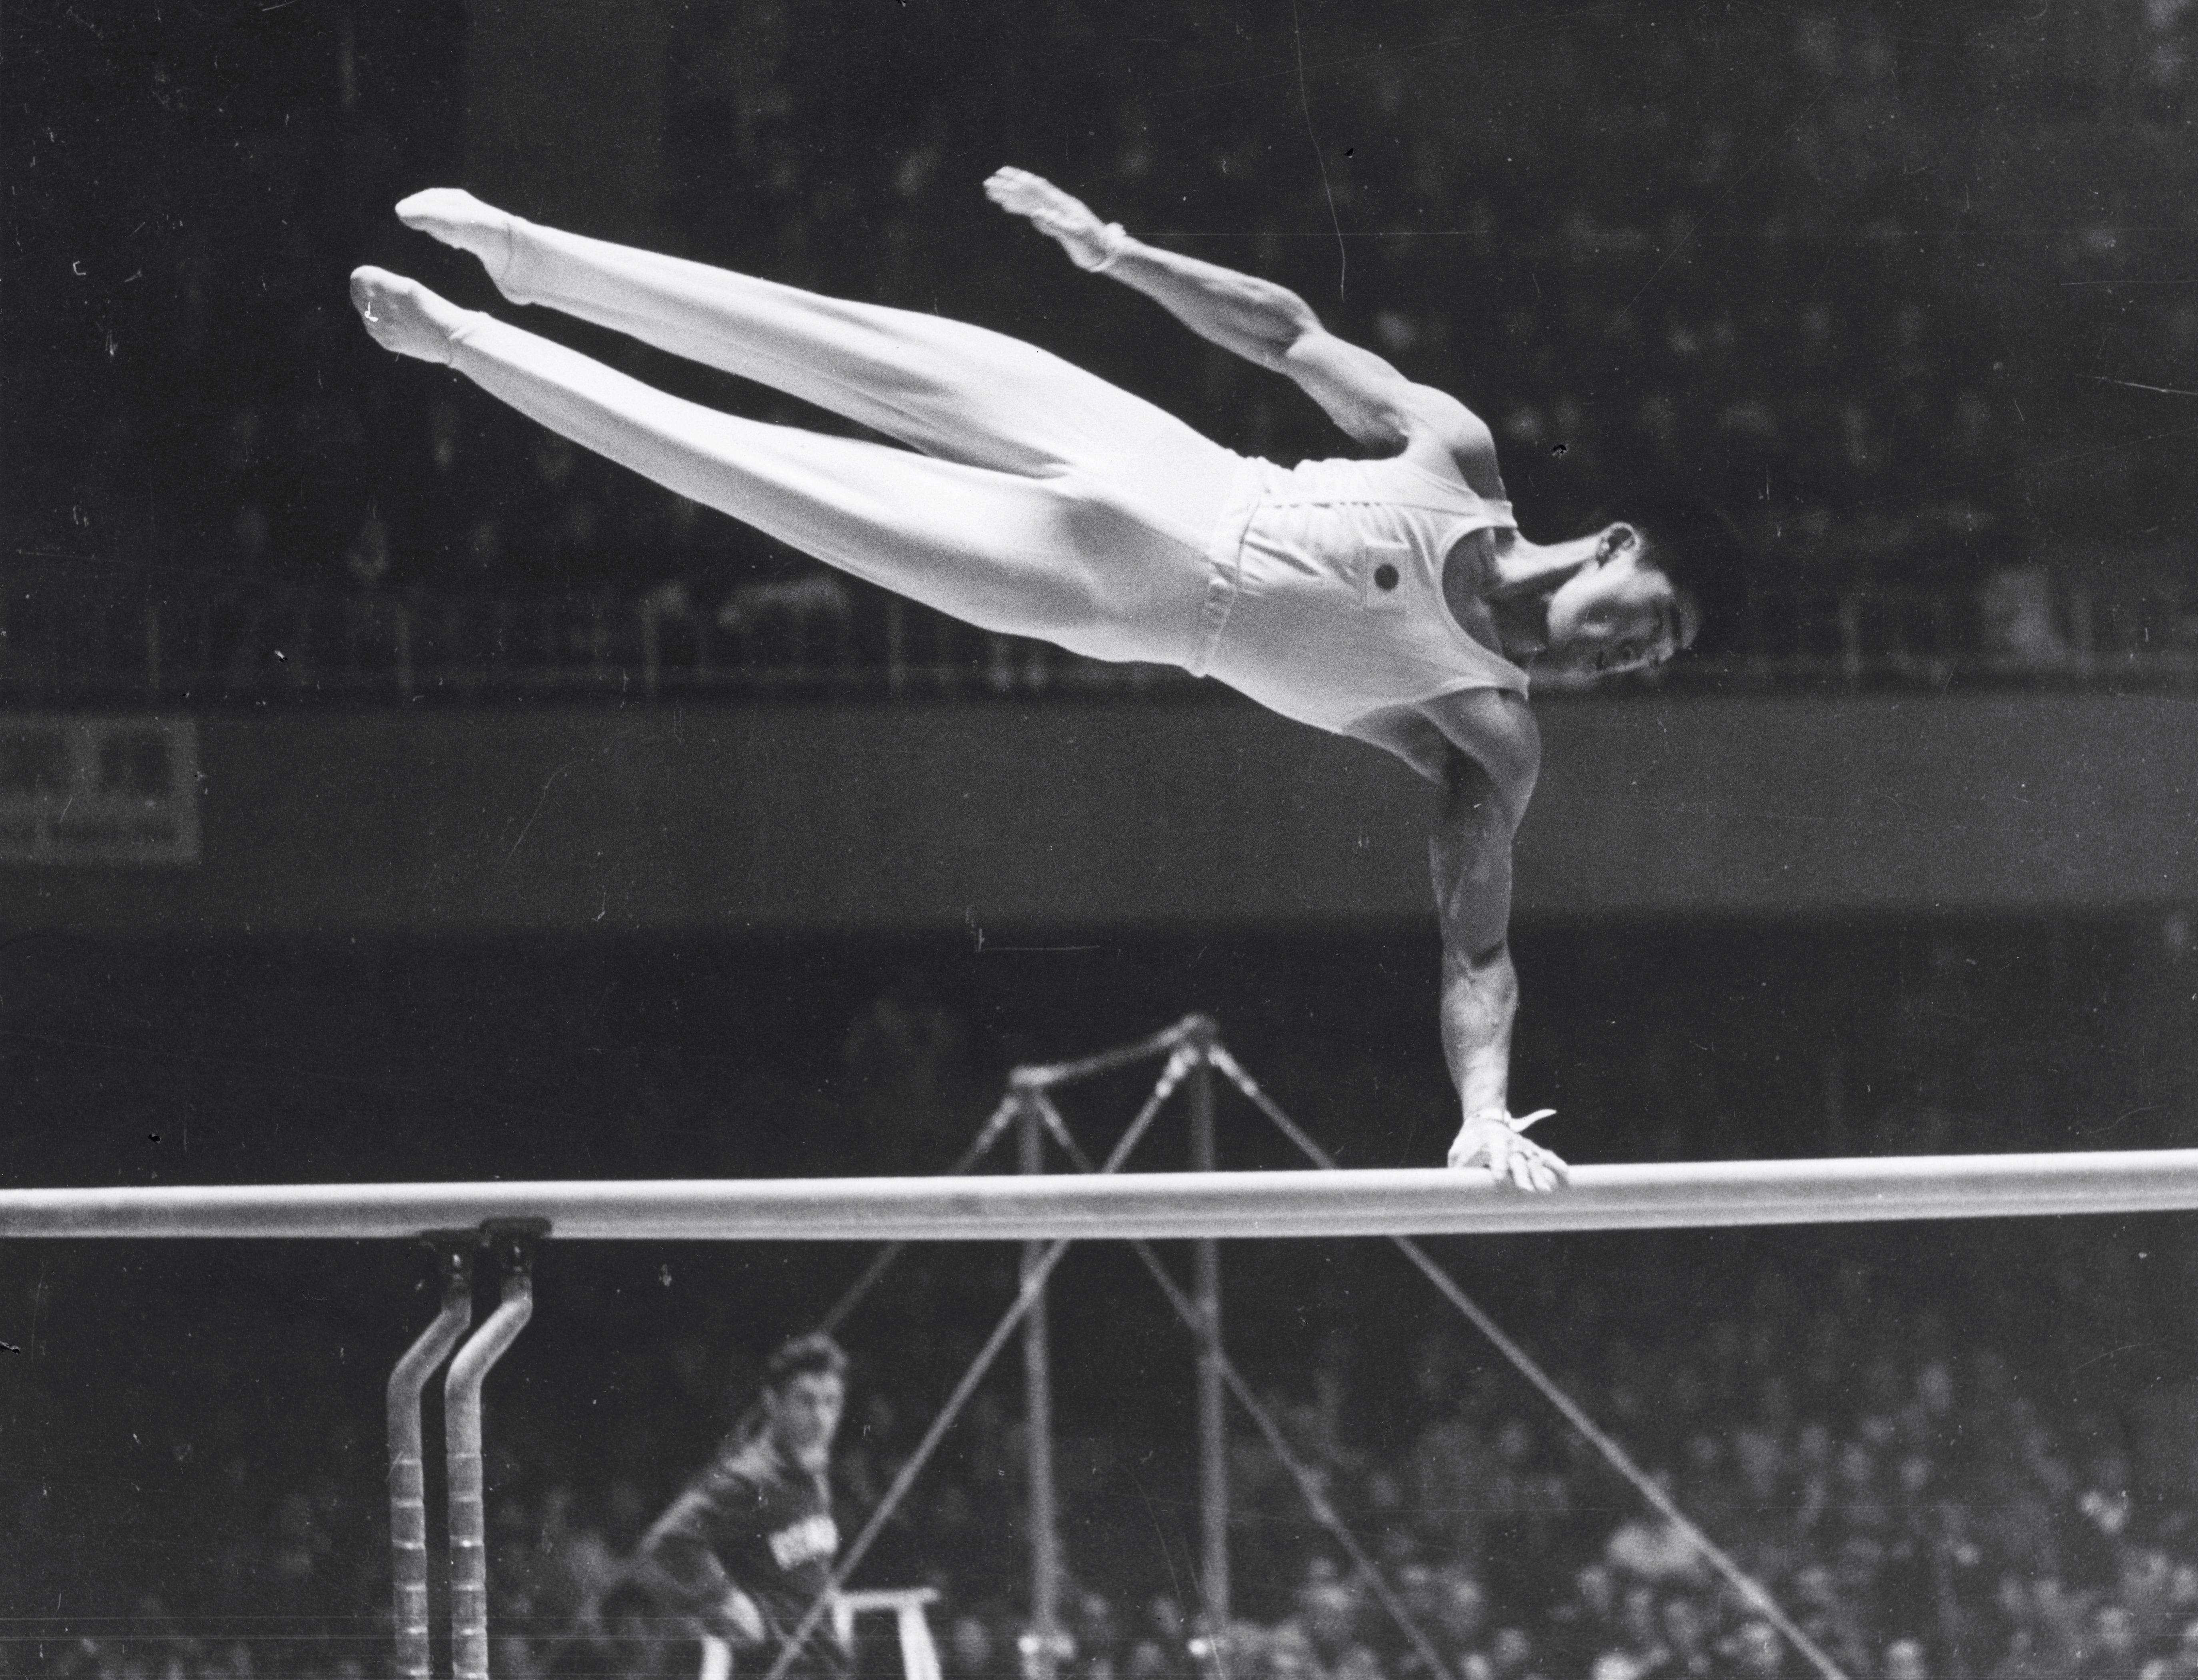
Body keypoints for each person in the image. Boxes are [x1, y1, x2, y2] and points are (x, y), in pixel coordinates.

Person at [350, 172, 1740, 1191]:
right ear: (1614, 543)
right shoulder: (1454, 455)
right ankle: (531, 254)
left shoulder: (1485, 730)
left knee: (768, 479)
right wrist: (1118, 252)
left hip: (1109, 590)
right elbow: (1284, 332)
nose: (1628, 658)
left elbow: (1477, 950)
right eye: (1650, 619)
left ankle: (465, 342)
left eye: (1651, 663)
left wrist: (1483, 1110)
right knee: (848, 344)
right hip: (1153, 452)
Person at [634, 1334, 853, 1680]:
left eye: (831, 1402)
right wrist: (723, 1596)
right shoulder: (749, 1479)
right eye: (807, 1402)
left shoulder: (813, 1472)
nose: (821, 1418)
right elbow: (668, 1540)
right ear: (773, 1402)